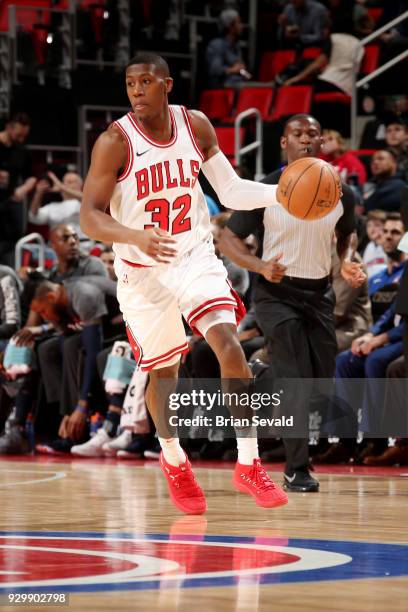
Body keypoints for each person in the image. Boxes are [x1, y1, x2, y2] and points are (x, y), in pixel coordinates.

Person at [80, 51, 293, 515]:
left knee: (227, 343)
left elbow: (231, 191)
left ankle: (249, 462)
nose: (136, 91)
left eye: (146, 82)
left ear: (167, 84)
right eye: (130, 83)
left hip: (193, 253)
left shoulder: (195, 125)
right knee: (165, 374)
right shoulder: (114, 141)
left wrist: (283, 195)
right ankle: (173, 457)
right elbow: (90, 216)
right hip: (141, 269)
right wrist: (133, 234)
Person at [219, 113, 365, 492]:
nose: (306, 139)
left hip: (318, 294)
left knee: (319, 381)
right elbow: (228, 241)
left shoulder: (339, 191)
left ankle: (260, 374)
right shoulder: (265, 190)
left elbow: (347, 233)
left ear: (322, 142)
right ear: (283, 143)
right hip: (275, 294)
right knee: (296, 381)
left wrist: (347, 260)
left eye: (313, 134)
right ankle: (296, 469)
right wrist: (260, 266)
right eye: (297, 134)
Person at [28, 171, 88, 242]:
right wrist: (38, 193)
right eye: (66, 182)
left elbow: (86, 199)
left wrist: (61, 187)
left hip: (83, 245)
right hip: (57, 248)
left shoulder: (84, 203)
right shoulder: (52, 206)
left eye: (72, 182)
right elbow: (34, 217)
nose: (67, 185)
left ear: (81, 185)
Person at [205, 9, 251, 88]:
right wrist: (233, 69)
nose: (242, 26)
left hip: (238, 83)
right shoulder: (217, 44)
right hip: (224, 85)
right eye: (239, 22)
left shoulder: (236, 46)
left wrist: (242, 69)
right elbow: (215, 70)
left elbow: (239, 67)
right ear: (230, 26)